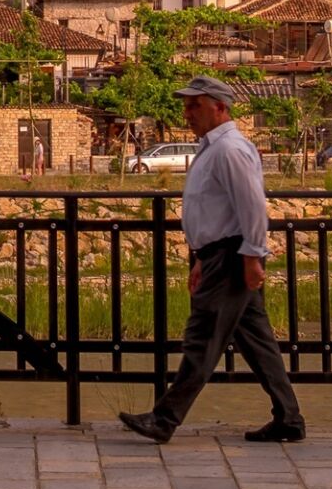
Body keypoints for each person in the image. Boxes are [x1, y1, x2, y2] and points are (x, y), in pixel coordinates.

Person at [119, 76, 304, 445]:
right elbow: (217, 211)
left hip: (232, 256)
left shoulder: (229, 149)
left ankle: (165, 418)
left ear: (220, 106)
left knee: (203, 338)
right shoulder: (213, 147)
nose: (187, 113)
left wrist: (253, 254)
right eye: (186, 106)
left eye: (195, 106)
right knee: (257, 341)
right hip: (222, 254)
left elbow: (250, 205)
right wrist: (203, 257)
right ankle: (289, 418)